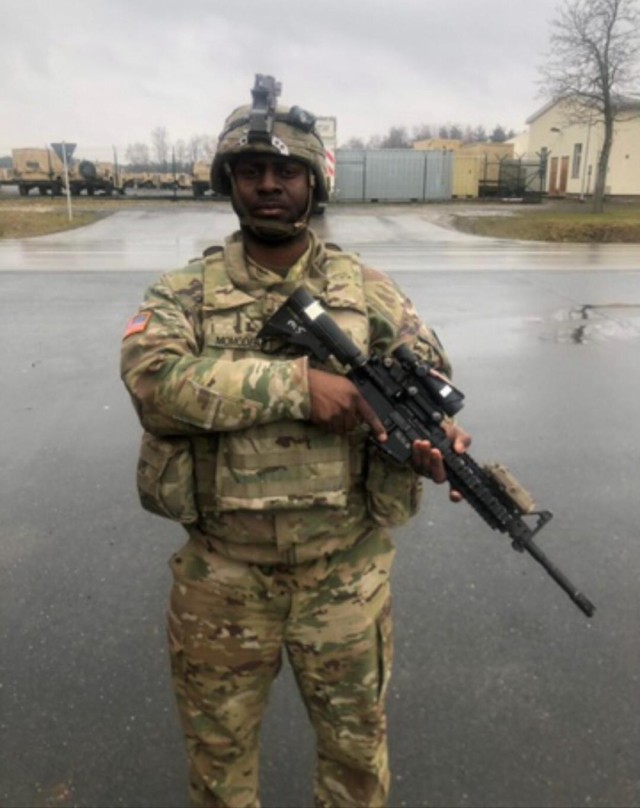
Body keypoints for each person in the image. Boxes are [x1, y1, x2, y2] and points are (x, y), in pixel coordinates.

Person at [120, 76, 470, 808]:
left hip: (344, 577)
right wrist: (296, 387)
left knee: (354, 763)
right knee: (219, 771)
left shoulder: (369, 289)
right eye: (253, 173)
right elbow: (153, 383)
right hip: (223, 579)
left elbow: (425, 377)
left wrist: (430, 443)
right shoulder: (182, 292)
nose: (270, 187)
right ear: (230, 184)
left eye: (287, 173)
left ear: (314, 184)